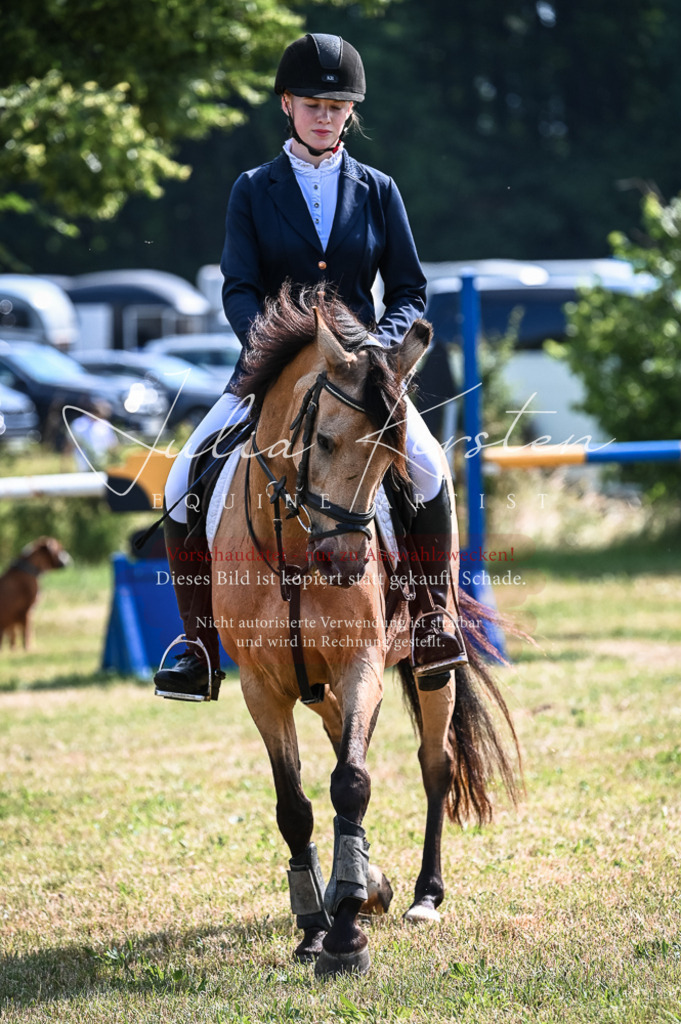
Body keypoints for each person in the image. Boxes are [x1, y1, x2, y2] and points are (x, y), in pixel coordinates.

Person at [154, 32, 466, 702]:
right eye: (313, 104)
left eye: (338, 105)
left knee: (429, 470)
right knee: (182, 479)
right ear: (286, 105)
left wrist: (375, 353)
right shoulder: (252, 190)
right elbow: (238, 285)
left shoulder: (378, 190)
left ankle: (435, 620)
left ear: (349, 113)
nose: (326, 116)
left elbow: (408, 288)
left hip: (361, 380)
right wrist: (262, 344)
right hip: (273, 373)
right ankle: (198, 648)